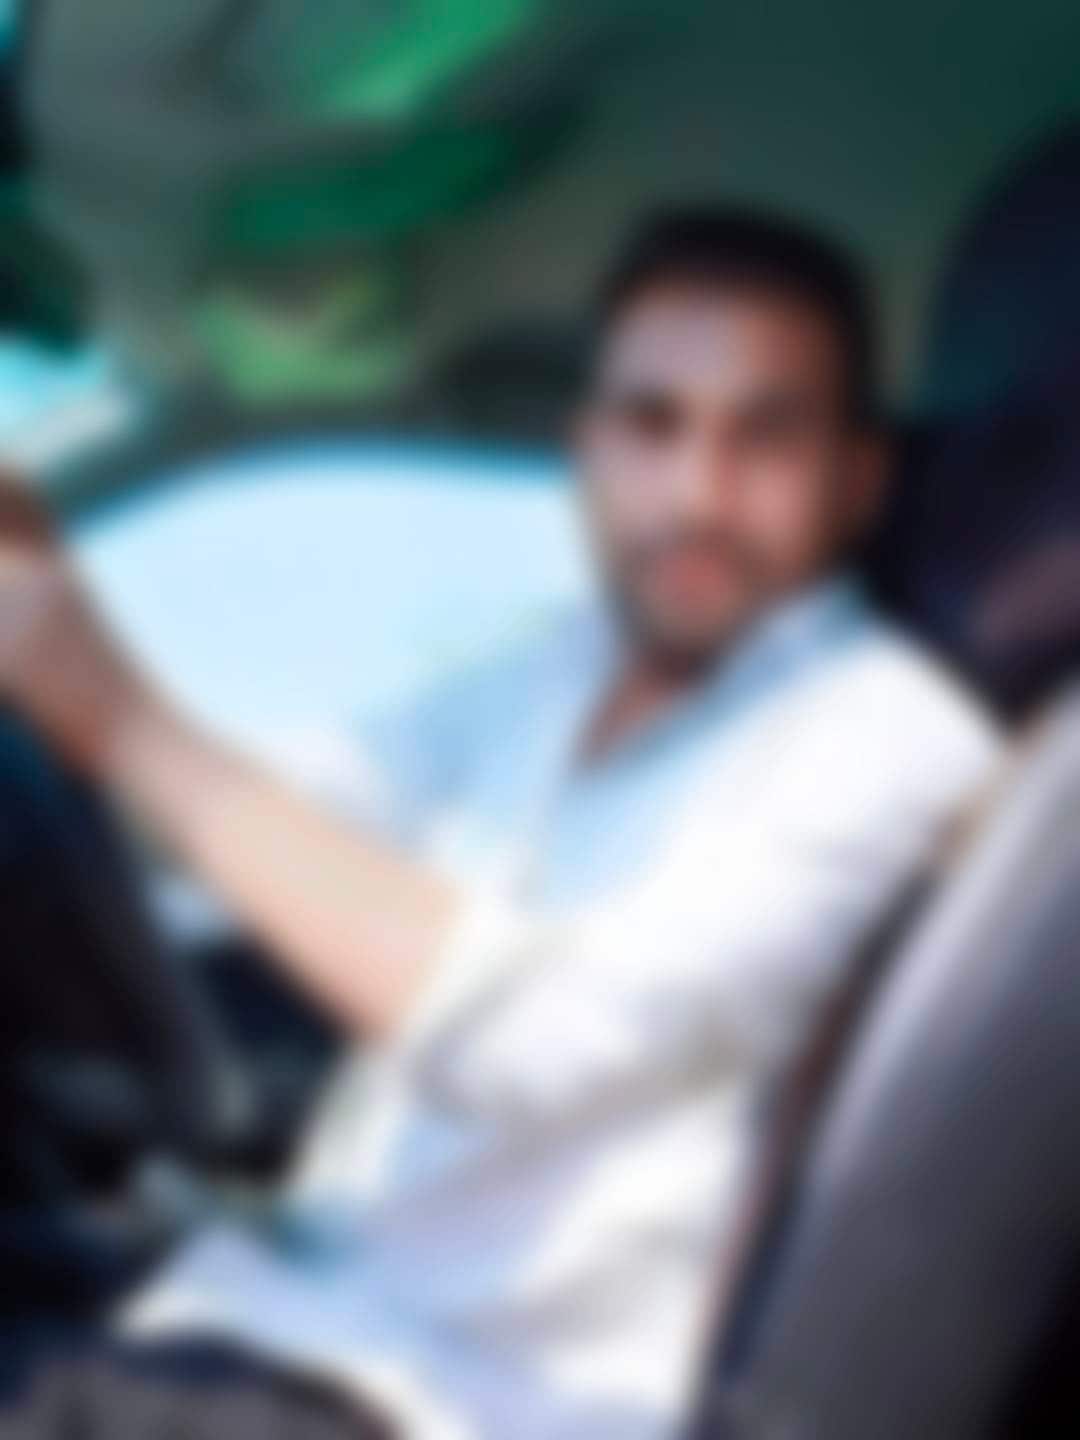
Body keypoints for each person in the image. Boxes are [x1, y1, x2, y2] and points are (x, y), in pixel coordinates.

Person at [0, 210, 1000, 1440]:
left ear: (859, 480)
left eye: (767, 435)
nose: (698, 493)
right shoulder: (558, 671)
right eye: (652, 425)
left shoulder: (891, 734)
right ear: (588, 450)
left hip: (462, 1407)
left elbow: (543, 1038)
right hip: (304, 1310)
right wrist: (55, 672)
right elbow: (289, 812)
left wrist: (117, 713)